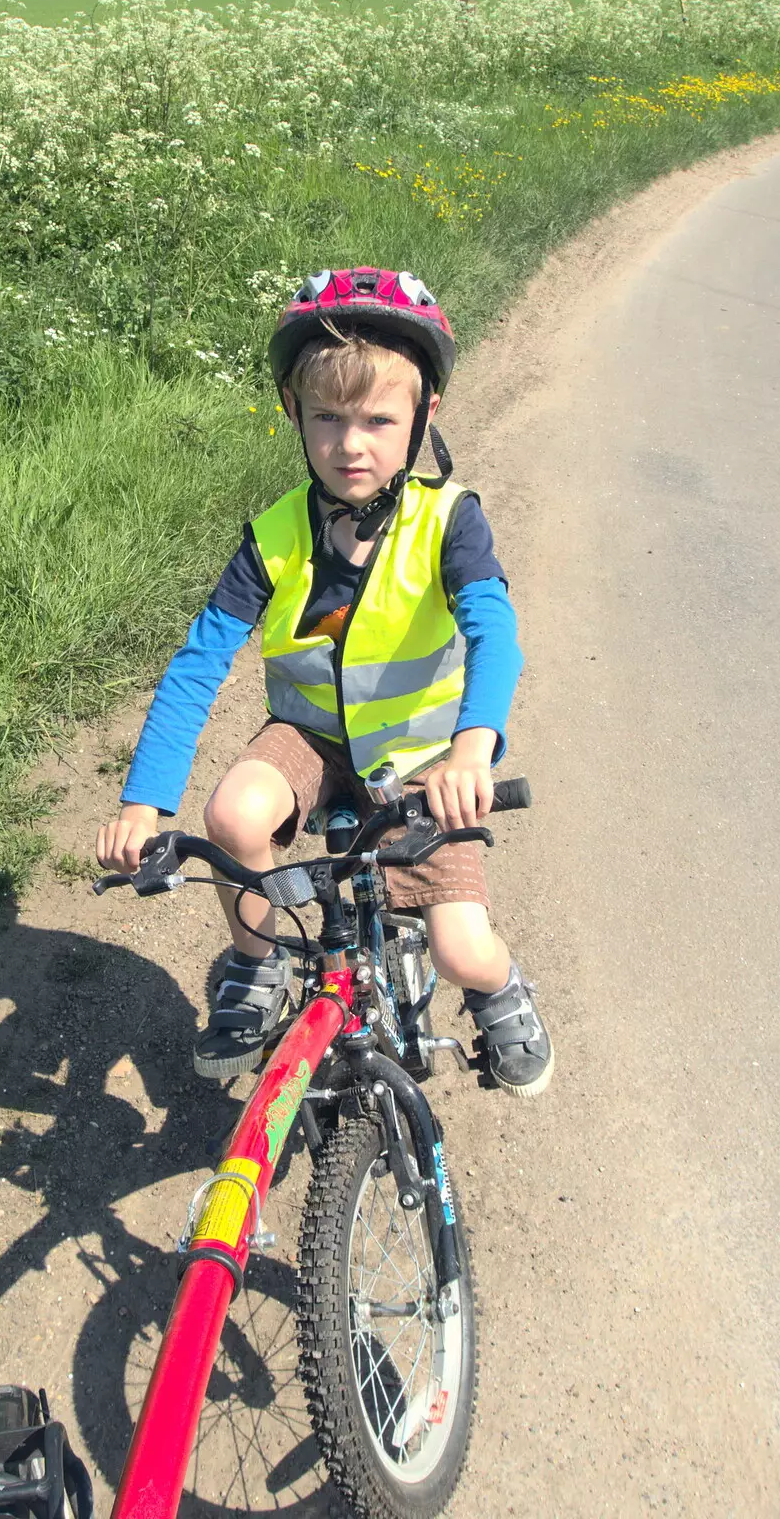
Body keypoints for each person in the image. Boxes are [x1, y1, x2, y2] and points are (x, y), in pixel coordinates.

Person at [96, 267, 553, 1096]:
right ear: (293, 416)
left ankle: (501, 989)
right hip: (308, 735)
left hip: (420, 753)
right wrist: (142, 803)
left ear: (423, 417)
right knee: (232, 814)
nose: (351, 444)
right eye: (327, 418)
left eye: (379, 420)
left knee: (458, 947)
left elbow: (497, 634)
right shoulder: (274, 536)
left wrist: (471, 751)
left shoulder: (448, 521)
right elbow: (199, 662)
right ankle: (256, 962)